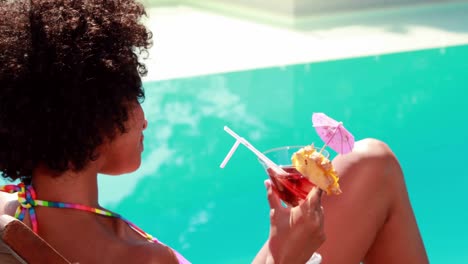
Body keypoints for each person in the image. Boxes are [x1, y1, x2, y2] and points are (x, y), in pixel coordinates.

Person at [0, 0, 325, 263]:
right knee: (374, 161)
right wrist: (291, 254)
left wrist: (280, 247)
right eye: (134, 97)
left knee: (374, 159)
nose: (144, 120)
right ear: (96, 116)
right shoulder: (142, 257)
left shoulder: (10, 214)